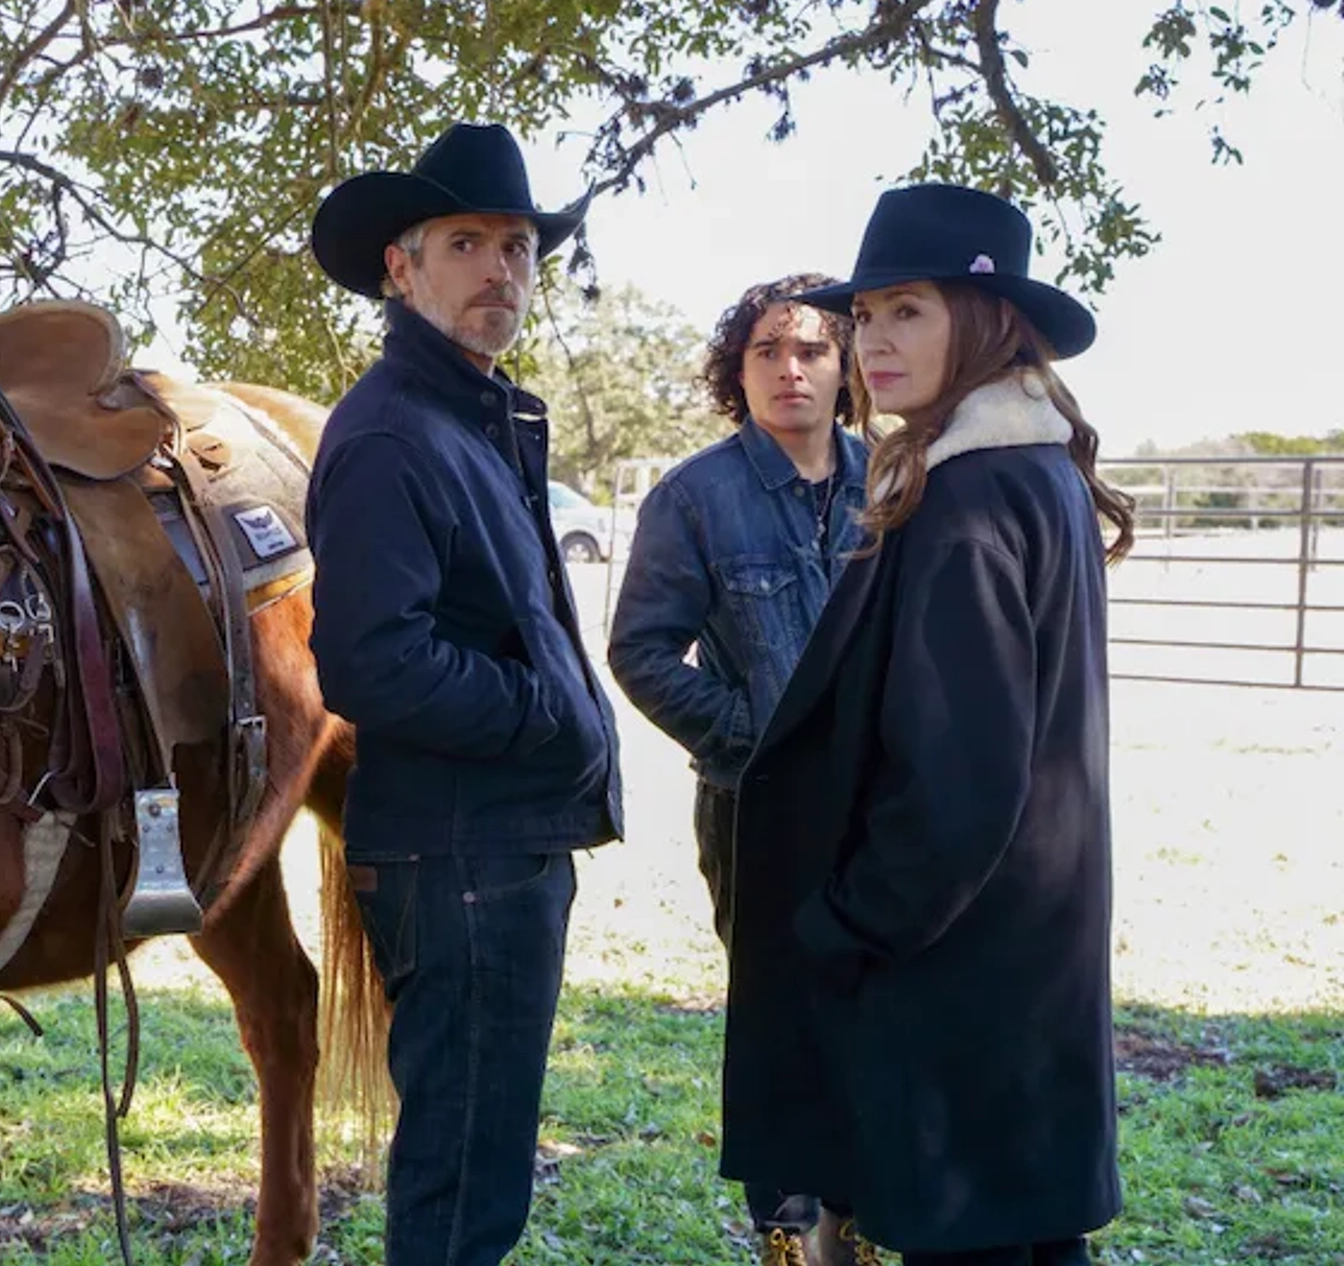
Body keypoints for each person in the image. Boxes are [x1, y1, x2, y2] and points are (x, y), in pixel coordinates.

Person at [724, 182, 1134, 1266]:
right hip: (1019, 968)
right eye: (866, 317)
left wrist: (847, 924)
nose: (873, 343)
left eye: (908, 311)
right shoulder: (1034, 472)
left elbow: (961, 784)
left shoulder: (970, 498)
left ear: (987, 319)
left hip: (961, 978)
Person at [303, 122, 625, 1266]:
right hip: (463, 859)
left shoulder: (473, 418)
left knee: (477, 1163)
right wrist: (547, 715)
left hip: (493, 846)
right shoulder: (395, 433)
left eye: (519, 246)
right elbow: (369, 664)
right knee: (461, 1180)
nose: (502, 270)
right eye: (468, 242)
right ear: (403, 265)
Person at [607, 273, 871, 1265]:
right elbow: (640, 651)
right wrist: (759, 742)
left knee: (873, 1008)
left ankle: (857, 1224)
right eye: (767, 350)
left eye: (811, 349)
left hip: (883, 813)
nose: (790, 368)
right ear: (738, 371)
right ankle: (789, 1236)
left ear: (844, 366)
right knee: (777, 1020)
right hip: (757, 809)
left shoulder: (895, 479)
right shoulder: (696, 497)